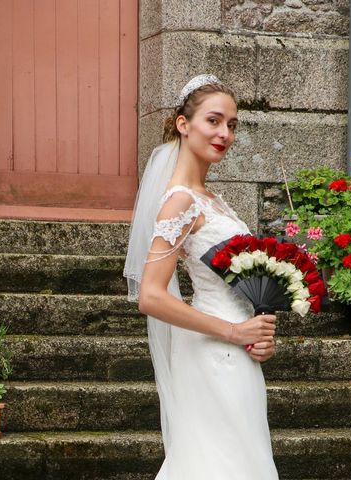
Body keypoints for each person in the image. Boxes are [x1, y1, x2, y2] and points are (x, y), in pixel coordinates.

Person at [124, 75, 279, 479]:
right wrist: (233, 331)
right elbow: (151, 297)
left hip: (238, 353)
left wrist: (258, 335)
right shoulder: (180, 201)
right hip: (213, 352)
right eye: (213, 121)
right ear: (183, 124)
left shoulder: (213, 199)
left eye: (232, 124)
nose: (224, 133)